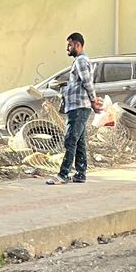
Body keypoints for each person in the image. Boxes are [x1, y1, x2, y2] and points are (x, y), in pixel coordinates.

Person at [46, 32, 98, 186]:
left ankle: (63, 174)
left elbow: (87, 82)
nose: (67, 48)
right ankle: (80, 173)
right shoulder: (80, 61)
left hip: (79, 107)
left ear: (78, 45)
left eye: (70, 45)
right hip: (78, 106)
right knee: (79, 142)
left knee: (70, 140)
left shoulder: (81, 61)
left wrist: (94, 100)